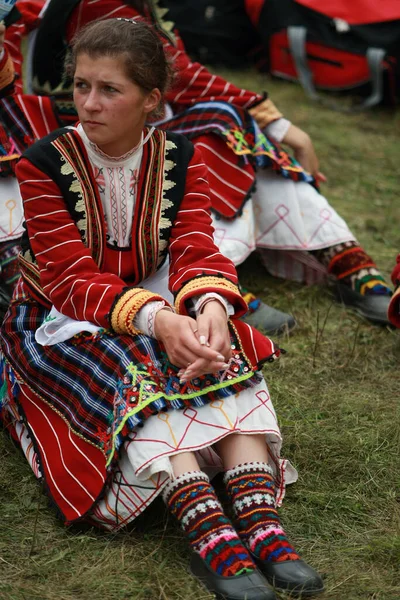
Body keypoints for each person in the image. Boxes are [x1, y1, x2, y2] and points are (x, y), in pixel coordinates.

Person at [0, 18, 324, 600]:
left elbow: (197, 246)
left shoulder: (182, 157)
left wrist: (213, 308)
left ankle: (263, 525)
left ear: (152, 99)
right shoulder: (42, 162)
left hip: (152, 302)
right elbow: (71, 278)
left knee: (219, 357)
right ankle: (208, 529)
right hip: (56, 322)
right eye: (80, 86)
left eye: (109, 90)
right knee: (138, 370)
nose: (89, 104)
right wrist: (160, 319)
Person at [0, 1, 392, 331]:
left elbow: (164, 72)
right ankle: (214, 286)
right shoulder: (100, 6)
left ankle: (344, 264)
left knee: (226, 129)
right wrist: (278, 122)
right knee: (225, 124)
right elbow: (178, 75)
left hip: (126, 124)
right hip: (60, 142)